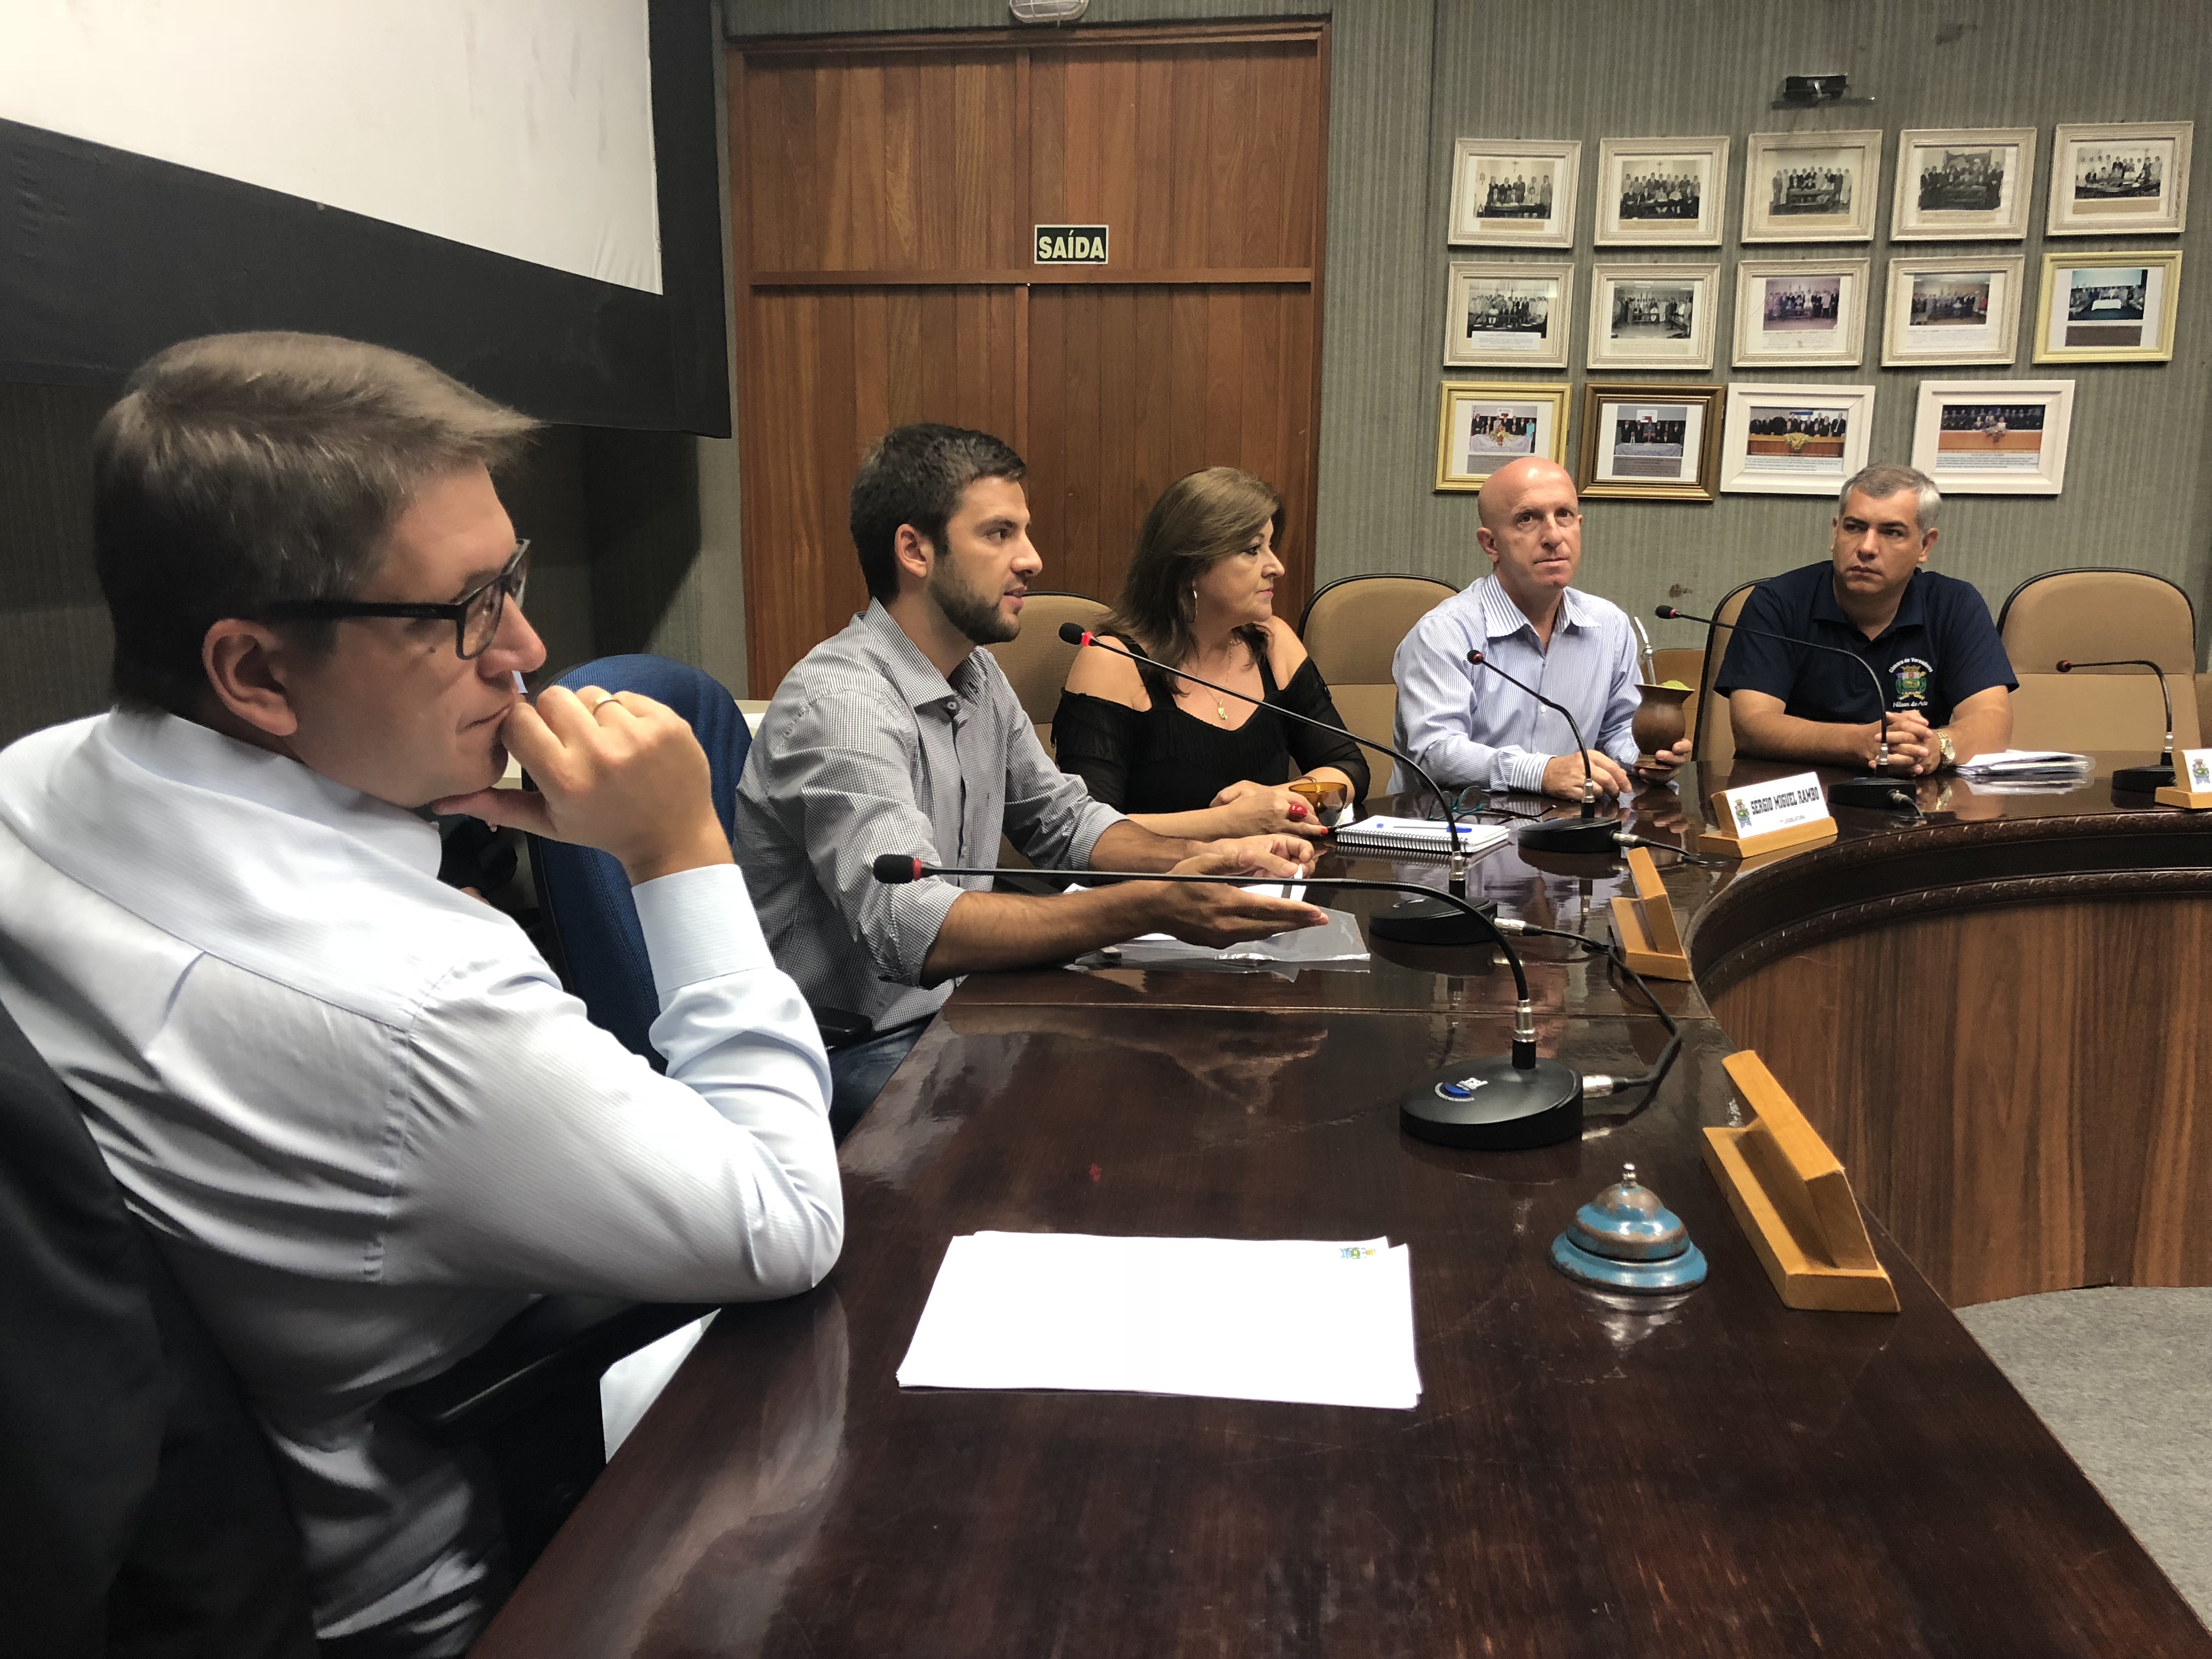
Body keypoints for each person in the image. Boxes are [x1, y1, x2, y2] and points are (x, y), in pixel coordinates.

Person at [0, 332, 845, 1658]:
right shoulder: (418, 1003)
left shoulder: (29, 782)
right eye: (464, 612)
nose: (529, 648)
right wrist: (678, 851)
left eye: (513, 578)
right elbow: (788, 1221)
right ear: (255, 673)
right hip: (460, 1589)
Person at [733, 425, 1326, 1134]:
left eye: (1025, 531)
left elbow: (1065, 821)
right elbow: (912, 928)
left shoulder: (975, 674)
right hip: (845, 1052)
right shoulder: (844, 706)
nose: (1032, 559)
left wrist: (1207, 859)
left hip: (958, 1010)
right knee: (1128, 1119)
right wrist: (1152, 905)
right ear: (915, 550)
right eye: (999, 533)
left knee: (1190, 1076)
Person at [1051, 466, 1368, 838]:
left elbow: (1349, 769)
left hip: (1274, 867)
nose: (1277, 567)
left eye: (1270, 546)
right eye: (1252, 550)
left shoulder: (1272, 642)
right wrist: (1231, 823)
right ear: (1190, 566)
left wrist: (1283, 799)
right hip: (1162, 873)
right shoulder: (1114, 661)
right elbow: (1086, 831)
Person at [1391, 455, 1691, 800]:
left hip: (1570, 821)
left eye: (1564, 515)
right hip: (1458, 823)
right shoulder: (1444, 633)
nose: (1553, 536)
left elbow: (1619, 728)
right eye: (1528, 518)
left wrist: (1646, 756)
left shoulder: (1609, 625)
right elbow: (1435, 752)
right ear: (1491, 544)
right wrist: (1542, 772)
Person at [1716, 463, 2014, 775]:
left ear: (1925, 546)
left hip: (1914, 791)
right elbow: (1753, 727)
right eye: (1854, 528)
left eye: (1892, 532)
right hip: (1798, 792)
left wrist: (1937, 746)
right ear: (1835, 532)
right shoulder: (1777, 601)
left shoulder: (1954, 604)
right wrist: (1859, 743)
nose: (1867, 548)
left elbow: (1993, 719)